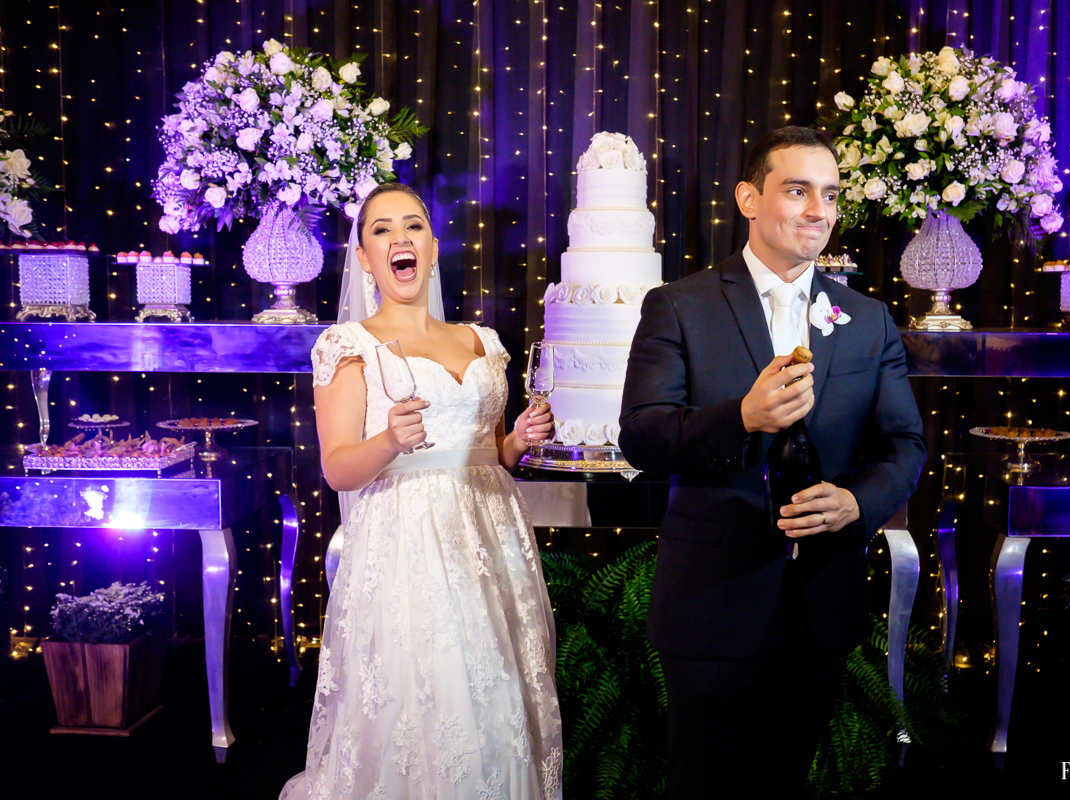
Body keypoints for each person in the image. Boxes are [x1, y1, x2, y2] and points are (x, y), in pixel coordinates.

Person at [618, 126, 926, 799]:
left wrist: (857, 503)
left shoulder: (868, 318)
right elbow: (641, 436)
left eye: (831, 194)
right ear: (749, 199)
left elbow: (904, 443)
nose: (819, 210)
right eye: (798, 191)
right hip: (712, 603)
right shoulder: (680, 305)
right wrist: (741, 417)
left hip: (820, 604)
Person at [281, 183, 563, 800]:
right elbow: (338, 469)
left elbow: (490, 453)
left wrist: (517, 440)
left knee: (500, 695)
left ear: (432, 247)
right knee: (432, 694)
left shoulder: (483, 341)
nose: (399, 239)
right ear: (363, 257)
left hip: (492, 536)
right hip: (409, 543)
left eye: (412, 226)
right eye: (381, 230)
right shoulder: (348, 345)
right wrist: (388, 440)